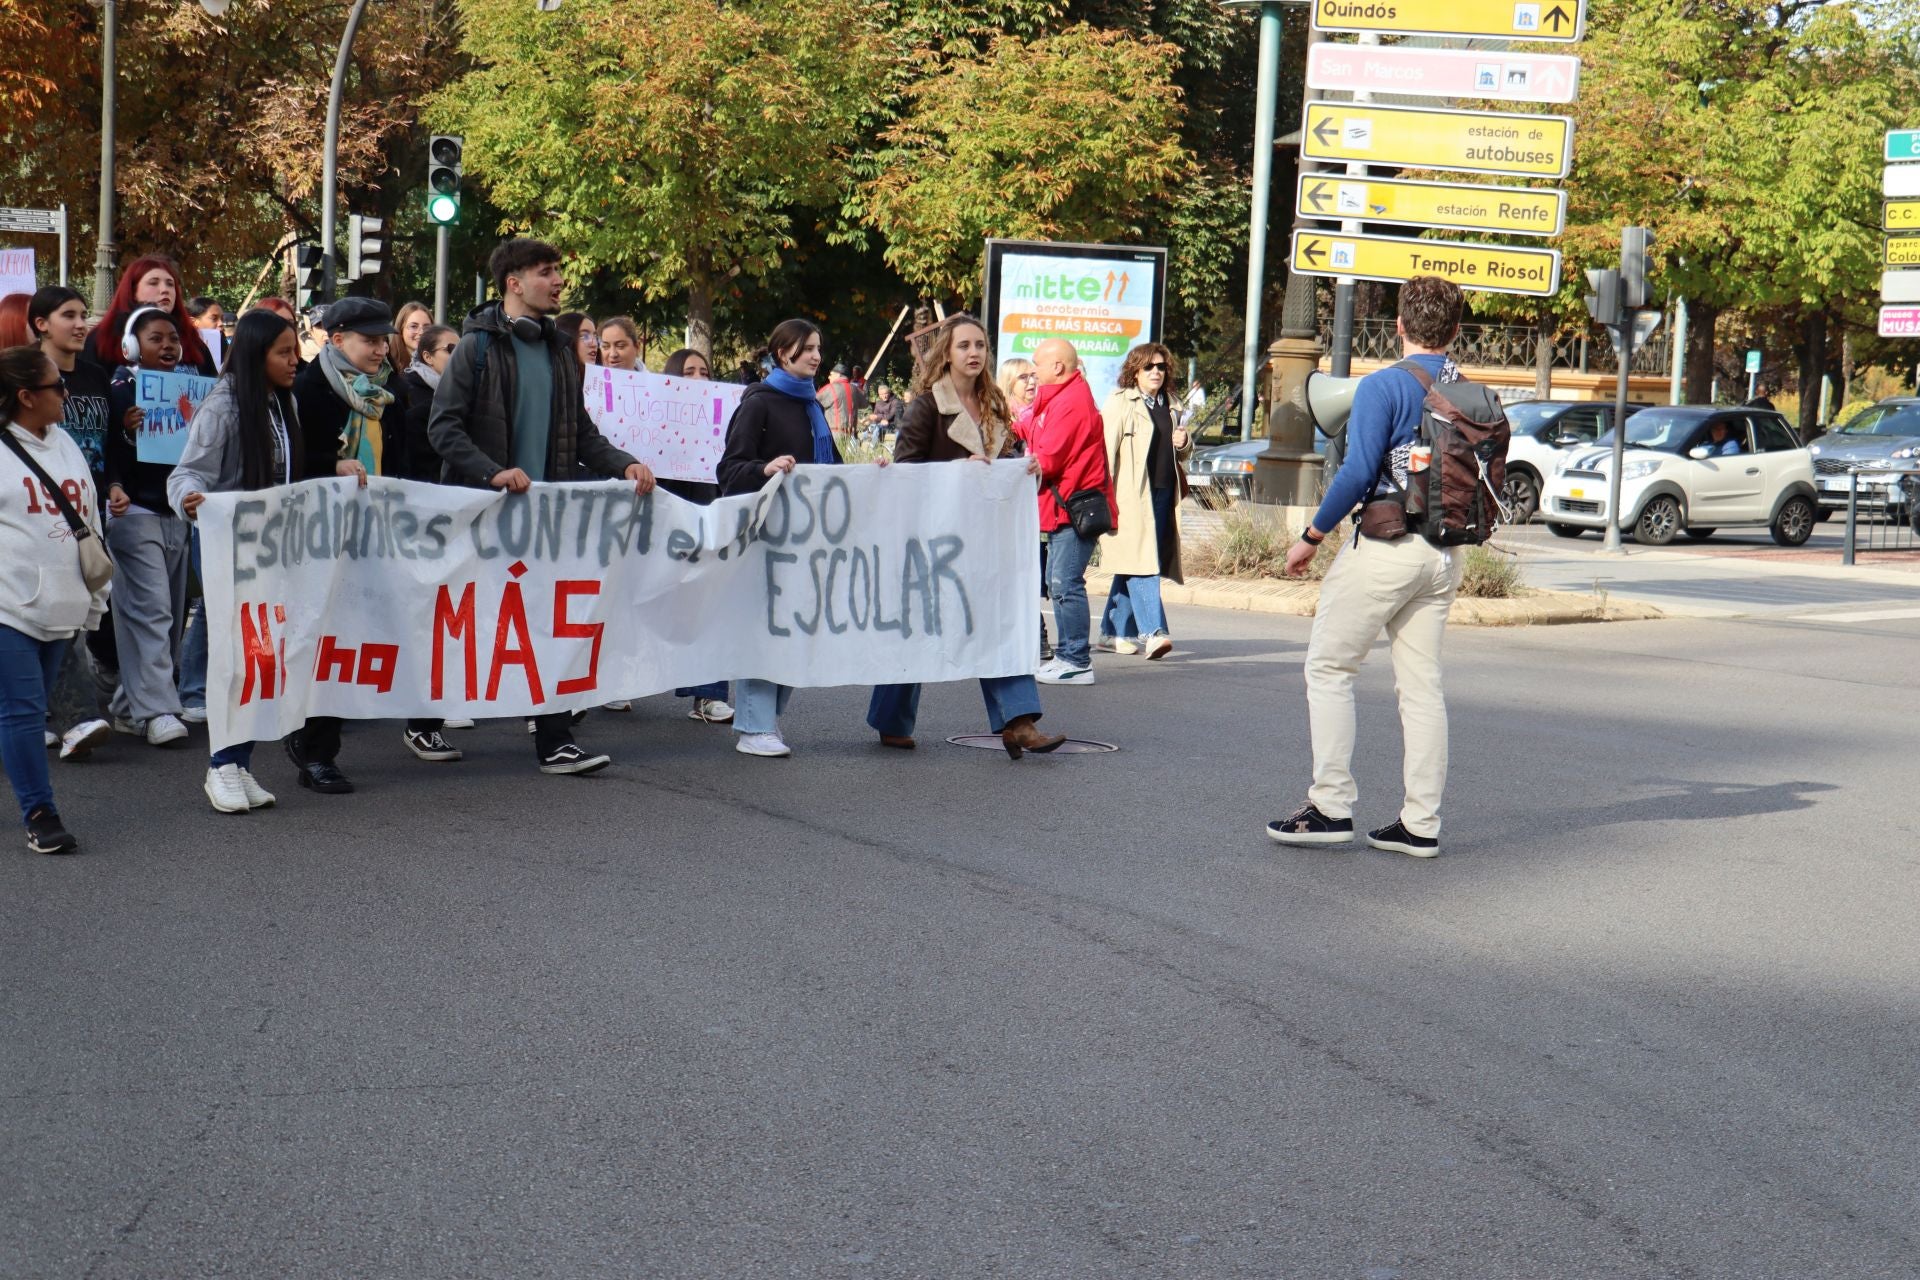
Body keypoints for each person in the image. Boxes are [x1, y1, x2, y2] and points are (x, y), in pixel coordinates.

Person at [428, 238, 655, 775]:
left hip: (545, 521)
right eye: (546, 272)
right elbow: (444, 427)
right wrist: (492, 471)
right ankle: (422, 717)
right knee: (467, 623)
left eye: (558, 270)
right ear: (514, 282)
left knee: (544, 625)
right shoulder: (476, 347)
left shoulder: (558, 351)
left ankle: (554, 740)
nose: (558, 281)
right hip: (484, 513)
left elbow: (582, 435)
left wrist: (623, 463)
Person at [1268, 275, 1470, 860]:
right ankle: (1420, 824)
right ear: (1456, 330)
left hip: (1386, 546)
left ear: (1401, 325)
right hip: (1444, 551)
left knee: (1330, 667)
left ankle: (1332, 807)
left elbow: (1357, 473)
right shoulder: (1471, 388)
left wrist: (1311, 535)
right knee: (1422, 688)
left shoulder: (1385, 385)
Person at [171, 309, 361, 812]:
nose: (294, 359)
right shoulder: (224, 407)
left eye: (294, 348)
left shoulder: (284, 403)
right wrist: (191, 498)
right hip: (235, 554)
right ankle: (221, 767)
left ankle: (240, 765)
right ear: (256, 355)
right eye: (282, 351)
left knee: (264, 663)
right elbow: (186, 474)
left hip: (278, 554)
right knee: (240, 661)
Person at [866, 314, 1064, 759]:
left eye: (980, 345)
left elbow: (1004, 465)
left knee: (995, 623)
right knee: (915, 628)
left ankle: (1020, 722)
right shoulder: (925, 406)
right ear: (946, 354)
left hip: (983, 539)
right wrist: (957, 473)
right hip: (931, 540)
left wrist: (1024, 467)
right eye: (964, 346)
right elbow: (905, 473)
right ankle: (891, 720)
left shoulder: (995, 403)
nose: (974, 353)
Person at [291, 297, 457, 774]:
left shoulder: (391, 392)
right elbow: (292, 463)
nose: (381, 348)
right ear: (337, 339)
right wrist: (331, 464)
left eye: (384, 339)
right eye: (370, 340)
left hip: (381, 535)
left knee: (375, 635)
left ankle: (341, 737)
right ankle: (317, 753)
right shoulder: (308, 389)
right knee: (330, 644)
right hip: (323, 539)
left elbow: (403, 464)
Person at [1, 345, 112, 852]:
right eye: (55, 387)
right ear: (25, 397)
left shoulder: (65, 442)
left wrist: (95, 597)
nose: (66, 393)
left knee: (21, 709)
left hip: (62, 607)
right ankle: (41, 813)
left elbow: (88, 517)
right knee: (23, 712)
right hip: (8, 609)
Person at [715, 318, 842, 757]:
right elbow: (729, 469)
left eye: (819, 349)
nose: (816, 357)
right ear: (783, 352)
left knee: (794, 631)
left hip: (808, 539)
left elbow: (834, 470)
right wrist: (764, 469)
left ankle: (766, 720)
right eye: (808, 349)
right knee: (765, 630)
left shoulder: (812, 405)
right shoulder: (759, 403)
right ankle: (754, 725)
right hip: (766, 539)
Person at [30, 287, 119, 754]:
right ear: (41, 323)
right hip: (35, 515)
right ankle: (68, 715)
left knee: (75, 611)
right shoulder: (20, 376)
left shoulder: (96, 376)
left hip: (87, 509)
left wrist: (114, 485)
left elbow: (110, 444)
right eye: (70, 315)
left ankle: (51, 710)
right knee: (47, 614)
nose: (82, 323)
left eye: (85, 314)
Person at [102, 308, 195, 747]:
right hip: (135, 513)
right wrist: (125, 431)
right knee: (152, 610)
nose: (168, 346)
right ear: (133, 346)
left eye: (173, 338)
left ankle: (127, 705)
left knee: (168, 617)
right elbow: (104, 453)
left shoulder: (190, 389)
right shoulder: (119, 388)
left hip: (177, 514)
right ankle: (160, 709)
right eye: (156, 339)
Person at [651, 346, 736, 726]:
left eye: (704, 371)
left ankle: (709, 694)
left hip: (707, 520)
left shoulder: (725, 422)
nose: (699, 378)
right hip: (662, 525)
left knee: (711, 606)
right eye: (689, 371)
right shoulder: (652, 423)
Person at [1023, 338, 1113, 687]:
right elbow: (1035, 436)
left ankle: (1075, 660)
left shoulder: (1070, 402)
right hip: (1068, 507)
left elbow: (1049, 457)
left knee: (1065, 583)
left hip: (1075, 508)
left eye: (1037, 364)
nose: (1033, 372)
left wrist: (1023, 463)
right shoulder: (1063, 398)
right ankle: (1068, 658)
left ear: (1057, 367)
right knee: (1058, 582)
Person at [1096, 342, 1188, 663]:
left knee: (1135, 562)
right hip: (1130, 499)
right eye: (1149, 367)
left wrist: (1185, 441)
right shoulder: (1120, 403)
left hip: (1163, 495)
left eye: (1161, 367)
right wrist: (1102, 498)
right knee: (1144, 563)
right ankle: (1153, 632)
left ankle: (1111, 631)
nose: (1156, 372)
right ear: (1135, 370)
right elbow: (1104, 454)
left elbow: (1181, 451)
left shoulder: (1172, 404)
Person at [91, 256, 216, 376]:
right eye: (153, 283)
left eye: (170, 284)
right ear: (133, 291)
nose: (164, 289)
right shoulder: (103, 338)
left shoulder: (193, 341)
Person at [817, 362, 864, 439]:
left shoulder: (829, 388)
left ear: (838, 375)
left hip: (833, 434)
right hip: (851, 434)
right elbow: (865, 404)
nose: (829, 377)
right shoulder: (856, 390)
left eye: (831, 374)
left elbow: (813, 403)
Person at [390, 301, 431, 374]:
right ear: (400, 330)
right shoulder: (388, 366)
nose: (421, 332)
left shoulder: (439, 365)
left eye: (426, 327)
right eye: (414, 326)